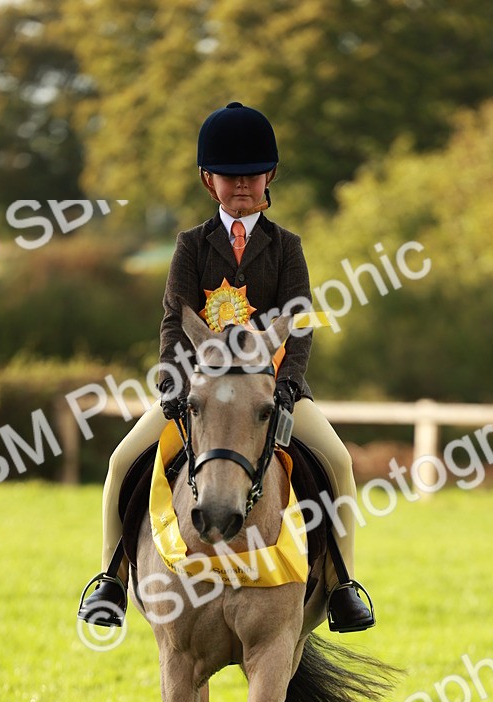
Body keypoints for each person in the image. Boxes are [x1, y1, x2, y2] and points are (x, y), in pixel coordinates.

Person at [78, 101, 375, 633]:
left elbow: (299, 324)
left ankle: (342, 585)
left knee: (339, 463)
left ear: (270, 176)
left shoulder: (287, 247)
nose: (242, 186)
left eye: (252, 174)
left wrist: (285, 388)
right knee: (122, 461)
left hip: (272, 391)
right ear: (207, 179)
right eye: (229, 176)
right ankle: (111, 580)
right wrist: (172, 378)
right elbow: (175, 319)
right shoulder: (191, 245)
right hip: (199, 391)